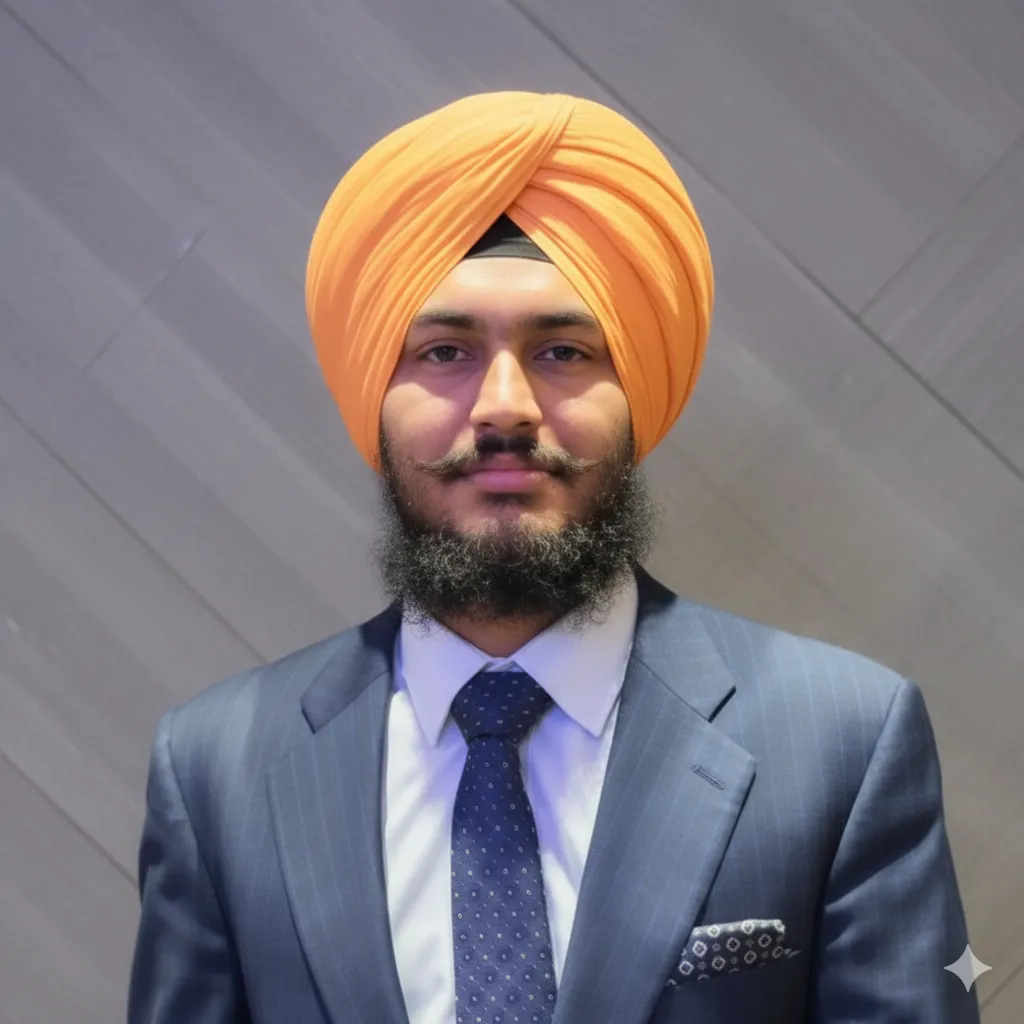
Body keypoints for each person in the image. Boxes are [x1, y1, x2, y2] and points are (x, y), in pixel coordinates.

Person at [126, 91, 980, 1024]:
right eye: (444, 352)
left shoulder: (842, 743)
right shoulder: (217, 772)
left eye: (564, 352)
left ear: (636, 396)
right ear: (373, 398)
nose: (505, 407)